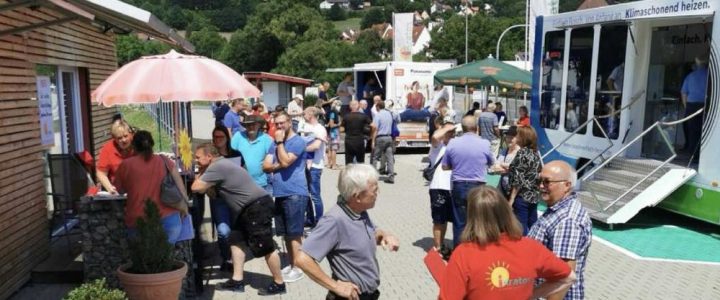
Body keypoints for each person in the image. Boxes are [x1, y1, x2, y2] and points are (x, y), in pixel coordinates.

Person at [439, 186, 576, 300]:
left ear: (471, 217)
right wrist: (532, 294)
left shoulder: (464, 253)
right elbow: (568, 277)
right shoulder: (530, 247)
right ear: (506, 211)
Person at [190, 143, 286, 295]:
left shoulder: (217, 166)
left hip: (256, 207)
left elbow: (196, 187)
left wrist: (200, 172)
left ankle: (279, 283)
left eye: (198, 157)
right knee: (236, 242)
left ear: (209, 156)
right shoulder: (220, 164)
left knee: (265, 247)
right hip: (247, 209)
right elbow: (209, 192)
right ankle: (237, 281)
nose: (195, 160)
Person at [295, 164, 400, 300]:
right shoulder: (334, 221)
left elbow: (372, 232)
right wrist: (335, 286)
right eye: (374, 190)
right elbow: (302, 259)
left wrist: (385, 236)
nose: (377, 193)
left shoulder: (359, 211)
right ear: (357, 197)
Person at [113, 131, 196, 298]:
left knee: (142, 264)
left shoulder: (126, 165)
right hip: (169, 218)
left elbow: (119, 189)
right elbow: (180, 187)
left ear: (133, 146)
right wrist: (185, 206)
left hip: (137, 220)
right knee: (165, 260)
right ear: (152, 144)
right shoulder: (165, 161)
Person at [528, 160, 592, 300]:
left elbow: (563, 277)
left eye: (547, 182)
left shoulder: (567, 221)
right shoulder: (558, 209)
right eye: (540, 180)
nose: (540, 186)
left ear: (567, 185)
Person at [263, 111, 309, 282]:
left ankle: (299, 267)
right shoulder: (273, 144)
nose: (279, 127)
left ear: (290, 122)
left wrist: (280, 142)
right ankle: (292, 264)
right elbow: (266, 165)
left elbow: (286, 161)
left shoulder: (298, 142)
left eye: (282, 123)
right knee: (286, 234)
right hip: (280, 193)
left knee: (295, 233)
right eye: (277, 124)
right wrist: (277, 164)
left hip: (295, 193)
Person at [442, 115, 495, 247]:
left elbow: (444, 166)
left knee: (459, 222)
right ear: (476, 128)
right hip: (478, 186)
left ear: (463, 128)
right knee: (478, 221)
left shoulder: (453, 143)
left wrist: (457, 165)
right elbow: (491, 162)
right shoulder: (484, 143)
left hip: (459, 185)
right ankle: (477, 251)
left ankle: (459, 253)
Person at [210, 125, 243, 268]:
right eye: (215, 137)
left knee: (235, 231)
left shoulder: (236, 154)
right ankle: (226, 257)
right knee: (223, 231)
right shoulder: (210, 155)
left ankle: (235, 259)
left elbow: (244, 173)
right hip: (219, 199)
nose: (218, 140)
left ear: (226, 138)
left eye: (220, 137)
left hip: (235, 198)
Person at [428, 117, 456, 259]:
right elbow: (435, 137)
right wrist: (447, 128)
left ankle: (456, 247)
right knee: (439, 220)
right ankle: (438, 247)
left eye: (454, 132)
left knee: (456, 219)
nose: (452, 134)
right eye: (450, 132)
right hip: (439, 187)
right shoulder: (437, 146)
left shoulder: (457, 146)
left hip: (455, 187)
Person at [508, 126, 542, 234]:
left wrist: (511, 199)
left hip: (522, 196)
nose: (516, 136)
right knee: (533, 226)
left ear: (523, 137)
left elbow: (518, 178)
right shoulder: (535, 153)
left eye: (518, 134)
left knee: (520, 228)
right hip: (533, 195)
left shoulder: (522, 153)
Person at [230, 115, 274, 192]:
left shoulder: (267, 139)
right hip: (240, 183)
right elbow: (230, 155)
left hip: (260, 183)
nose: (251, 126)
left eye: (253, 124)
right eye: (248, 124)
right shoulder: (238, 136)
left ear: (259, 125)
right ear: (245, 126)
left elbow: (271, 159)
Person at [302, 107, 328, 228]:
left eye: (305, 112)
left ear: (312, 114)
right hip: (303, 166)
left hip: (315, 166)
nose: (303, 114)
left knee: (315, 195)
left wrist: (298, 149)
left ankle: (319, 221)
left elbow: (316, 146)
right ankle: (309, 219)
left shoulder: (320, 129)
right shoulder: (305, 127)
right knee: (305, 194)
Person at [97, 119, 134, 194]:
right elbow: (101, 173)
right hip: (117, 190)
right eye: (119, 138)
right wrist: (110, 188)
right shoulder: (107, 149)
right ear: (114, 139)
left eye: (125, 136)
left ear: (131, 134)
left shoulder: (138, 145)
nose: (123, 140)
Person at [681, 56, 708, 157]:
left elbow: (684, 93)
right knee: (704, 130)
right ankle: (703, 155)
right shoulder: (709, 76)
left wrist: (686, 106)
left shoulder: (690, 76)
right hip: (705, 105)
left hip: (691, 106)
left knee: (692, 131)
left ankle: (692, 154)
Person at [371, 100, 399, 184]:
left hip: (381, 137)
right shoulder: (389, 114)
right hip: (389, 137)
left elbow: (375, 128)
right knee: (389, 157)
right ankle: (391, 176)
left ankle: (373, 177)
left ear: (378, 107)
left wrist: (372, 141)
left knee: (375, 157)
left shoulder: (378, 115)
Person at [341, 100, 372, 165]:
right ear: (358, 106)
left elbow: (341, 129)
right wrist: (371, 135)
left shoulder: (346, 116)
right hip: (360, 140)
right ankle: (360, 174)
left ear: (350, 107)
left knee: (349, 160)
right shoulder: (364, 116)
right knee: (360, 160)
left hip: (349, 140)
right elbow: (373, 125)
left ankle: (349, 174)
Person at [326, 100, 341, 170]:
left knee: (329, 149)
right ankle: (334, 165)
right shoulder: (333, 113)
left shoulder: (330, 112)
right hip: (334, 133)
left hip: (330, 133)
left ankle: (329, 164)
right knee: (334, 149)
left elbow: (329, 124)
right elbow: (331, 125)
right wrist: (339, 124)